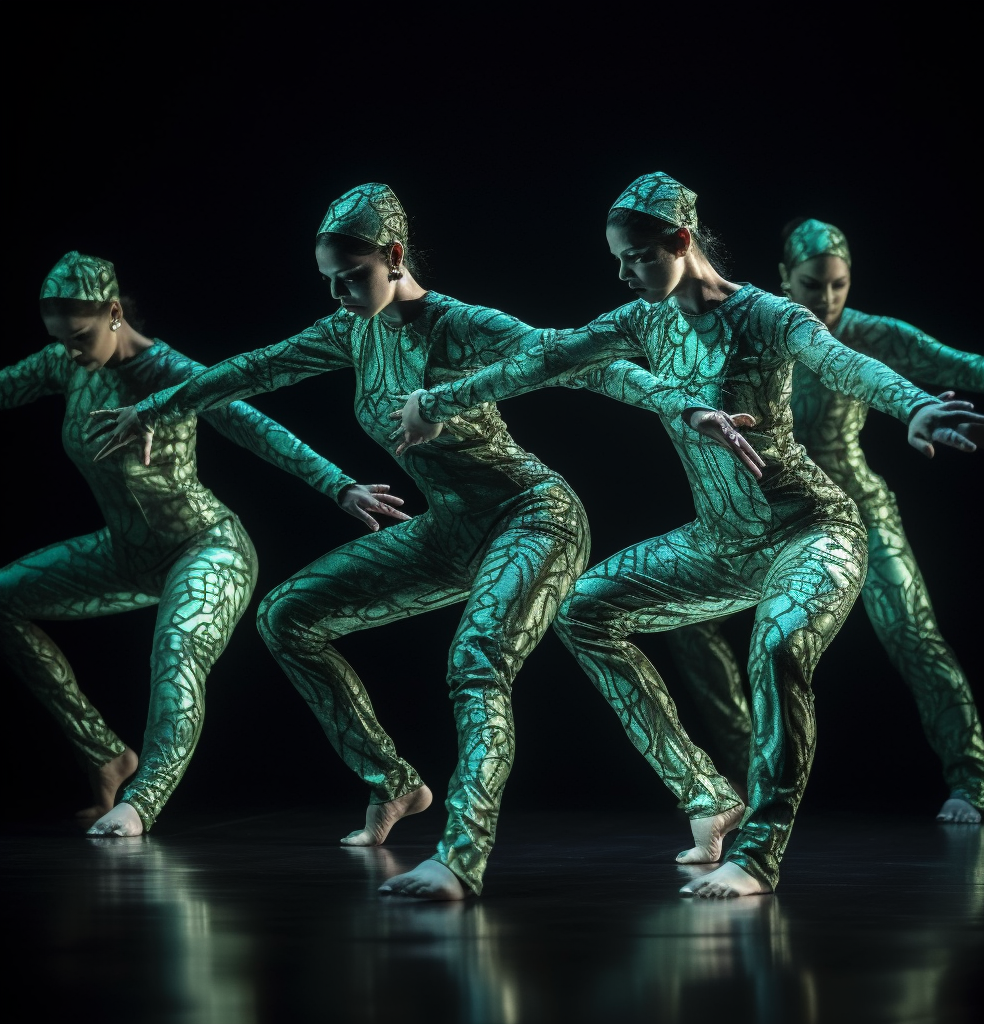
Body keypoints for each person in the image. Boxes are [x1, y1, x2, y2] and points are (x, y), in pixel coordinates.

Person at [89, 184, 736, 899]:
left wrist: (686, 406)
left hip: (533, 516)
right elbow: (252, 368)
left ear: (393, 257)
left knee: (476, 662)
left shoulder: (456, 324)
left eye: (352, 278)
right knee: (287, 617)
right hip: (452, 528)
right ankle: (393, 781)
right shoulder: (349, 330)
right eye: (328, 282)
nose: (339, 294)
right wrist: (157, 403)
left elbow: (576, 360)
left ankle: (461, 858)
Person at [390, 172, 984, 897]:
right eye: (618, 258)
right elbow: (544, 358)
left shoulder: (766, 314)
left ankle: (759, 856)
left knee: (778, 648)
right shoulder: (643, 320)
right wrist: (437, 399)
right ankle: (707, 794)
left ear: (681, 241)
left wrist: (915, 406)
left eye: (637, 255)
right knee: (583, 609)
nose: (624, 271)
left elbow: (844, 361)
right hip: (719, 542)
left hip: (812, 530)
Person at [662, 218, 984, 824]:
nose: (826, 300)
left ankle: (970, 780)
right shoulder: (756, 322)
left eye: (838, 285)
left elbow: (971, 369)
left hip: (858, 504)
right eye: (811, 284)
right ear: (784, 278)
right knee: (685, 622)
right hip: (777, 512)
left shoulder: (871, 335)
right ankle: (751, 768)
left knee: (913, 634)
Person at [1, 251, 367, 836]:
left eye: (78, 337)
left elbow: (255, 426)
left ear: (114, 312)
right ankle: (104, 752)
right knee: (4, 597)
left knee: (176, 652)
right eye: (59, 339)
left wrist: (340, 485)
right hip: (125, 554)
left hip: (206, 549)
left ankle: (141, 801)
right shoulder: (65, 364)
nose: (69, 350)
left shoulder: (170, 371)